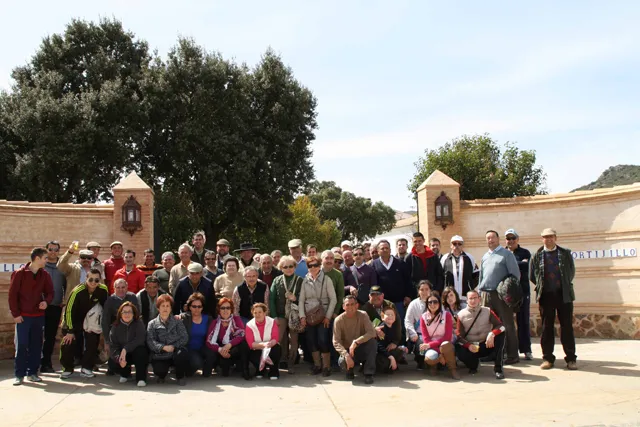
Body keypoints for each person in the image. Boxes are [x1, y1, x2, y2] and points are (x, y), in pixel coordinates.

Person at [530, 228, 577, 371]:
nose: (548, 239)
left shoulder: (565, 253)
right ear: (541, 239)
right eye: (545, 237)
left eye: (551, 237)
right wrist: (543, 286)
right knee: (546, 327)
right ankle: (547, 358)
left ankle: (571, 359)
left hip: (564, 295)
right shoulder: (537, 255)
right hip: (546, 296)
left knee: (567, 327)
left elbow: (571, 271)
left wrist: (563, 285)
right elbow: (532, 275)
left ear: (556, 238)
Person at [9, 248, 54, 385]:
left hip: (38, 317)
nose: (47, 260)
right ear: (37, 258)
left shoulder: (45, 275)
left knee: (36, 345)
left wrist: (46, 302)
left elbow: (50, 292)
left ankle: (33, 372)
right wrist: (15, 314)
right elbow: (12, 296)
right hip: (23, 317)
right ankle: (19, 374)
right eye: (45, 258)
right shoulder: (19, 274)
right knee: (22, 345)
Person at [478, 230, 521, 364]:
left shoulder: (506, 254)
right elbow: (482, 276)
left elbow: (515, 275)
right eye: (488, 238)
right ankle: (493, 354)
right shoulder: (485, 256)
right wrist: (480, 292)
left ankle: (512, 355)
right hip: (486, 294)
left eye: (493, 237)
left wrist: (508, 293)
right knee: (490, 326)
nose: (490, 240)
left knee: (506, 324)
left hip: (501, 295)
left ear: (498, 239)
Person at [59, 268, 109, 379]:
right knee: (68, 343)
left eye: (96, 280)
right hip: (72, 321)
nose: (93, 282)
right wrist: (70, 331)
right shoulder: (78, 291)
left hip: (91, 321)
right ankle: (67, 368)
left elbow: (106, 308)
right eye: (91, 279)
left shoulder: (103, 290)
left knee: (92, 342)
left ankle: (86, 368)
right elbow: (68, 311)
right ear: (86, 278)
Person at [299, 255, 337, 376]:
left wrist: (328, 316)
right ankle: (317, 365)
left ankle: (326, 366)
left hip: (323, 313)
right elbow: (301, 300)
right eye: (310, 266)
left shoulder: (327, 280)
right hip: (309, 315)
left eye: (315, 265)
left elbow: (334, 299)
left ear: (320, 266)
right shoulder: (305, 280)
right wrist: (302, 316)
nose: (313, 268)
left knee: (322, 340)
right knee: (311, 340)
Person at [456, 290, 506, 379]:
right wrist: (468, 345)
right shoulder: (461, 315)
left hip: (486, 343)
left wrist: (492, 333)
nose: (473, 300)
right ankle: (472, 365)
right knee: (459, 349)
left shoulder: (487, 311)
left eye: (475, 298)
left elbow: (501, 326)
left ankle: (498, 369)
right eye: (470, 298)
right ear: (467, 300)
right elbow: (459, 337)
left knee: (500, 335)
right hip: (472, 346)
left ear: (479, 299)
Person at [269, 255, 304, 373]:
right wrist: (274, 316)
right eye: (285, 267)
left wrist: (296, 298)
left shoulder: (300, 280)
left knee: (294, 340)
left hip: (295, 314)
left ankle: (291, 363)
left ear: (295, 267)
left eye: (291, 266)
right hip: (280, 314)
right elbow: (272, 299)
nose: (288, 269)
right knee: (280, 339)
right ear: (281, 268)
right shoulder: (277, 280)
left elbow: (305, 298)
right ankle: (281, 360)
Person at [333, 295, 377, 384]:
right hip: (348, 350)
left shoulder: (363, 315)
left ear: (357, 305)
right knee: (342, 361)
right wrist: (346, 355)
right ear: (343, 306)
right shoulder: (338, 320)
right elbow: (336, 341)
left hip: (361, 347)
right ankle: (349, 370)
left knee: (373, 342)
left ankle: (368, 373)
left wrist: (356, 342)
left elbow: (372, 332)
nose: (350, 307)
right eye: (347, 305)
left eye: (352, 304)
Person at [147, 294, 190, 385]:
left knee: (182, 353)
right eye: (163, 306)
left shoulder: (178, 322)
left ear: (171, 308)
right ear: (158, 308)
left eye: (167, 306)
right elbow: (150, 341)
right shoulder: (152, 323)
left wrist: (174, 346)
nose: (165, 308)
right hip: (160, 354)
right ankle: (161, 376)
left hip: (175, 352)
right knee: (160, 370)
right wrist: (163, 347)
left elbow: (184, 337)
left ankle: (180, 376)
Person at [505, 228, 534, 361]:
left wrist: (512, 265)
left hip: (523, 291)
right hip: (506, 293)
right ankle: (508, 350)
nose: (510, 241)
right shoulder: (502, 252)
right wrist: (519, 264)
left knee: (524, 321)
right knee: (506, 322)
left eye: (513, 238)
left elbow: (526, 268)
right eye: (508, 238)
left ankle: (526, 350)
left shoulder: (525, 252)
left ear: (517, 239)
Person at [102, 278, 140, 375]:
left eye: (123, 287)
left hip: (131, 330)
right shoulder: (110, 300)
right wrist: (106, 341)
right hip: (115, 332)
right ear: (114, 288)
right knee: (114, 365)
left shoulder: (132, 297)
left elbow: (137, 316)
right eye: (118, 287)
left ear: (127, 287)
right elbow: (105, 321)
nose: (120, 290)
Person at [206, 297, 250, 379]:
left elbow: (242, 334)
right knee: (225, 373)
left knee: (244, 344)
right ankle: (222, 365)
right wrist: (220, 350)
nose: (225, 310)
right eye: (222, 308)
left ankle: (245, 370)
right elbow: (208, 341)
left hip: (233, 349)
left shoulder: (236, 320)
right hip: (221, 350)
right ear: (219, 310)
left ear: (231, 310)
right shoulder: (215, 322)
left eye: (228, 308)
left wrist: (230, 344)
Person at [419, 291, 459, 379]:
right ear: (427, 304)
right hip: (431, 345)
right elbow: (426, 338)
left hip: (445, 344)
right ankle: (435, 364)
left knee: (445, 345)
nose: (432, 304)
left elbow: (447, 337)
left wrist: (432, 346)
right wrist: (436, 349)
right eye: (430, 302)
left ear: (439, 303)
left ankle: (453, 369)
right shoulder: (423, 317)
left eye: (435, 302)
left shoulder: (446, 315)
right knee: (429, 358)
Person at [371, 239, 413, 322]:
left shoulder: (400, 263)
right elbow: (373, 284)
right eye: (382, 248)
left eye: (387, 248)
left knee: (400, 325)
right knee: (385, 326)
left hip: (399, 302)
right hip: (382, 303)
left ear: (390, 250)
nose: (385, 250)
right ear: (378, 251)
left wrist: (408, 296)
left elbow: (408, 281)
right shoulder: (373, 264)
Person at [41, 240, 67, 374]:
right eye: (50, 249)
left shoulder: (62, 267)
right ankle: (34, 361)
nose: (53, 252)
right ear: (46, 250)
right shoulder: (41, 266)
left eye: (56, 250)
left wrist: (64, 300)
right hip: (39, 307)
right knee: (37, 335)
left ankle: (46, 363)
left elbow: (66, 286)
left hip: (55, 306)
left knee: (50, 336)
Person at [108, 301, 148, 387]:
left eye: (129, 312)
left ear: (133, 313)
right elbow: (113, 346)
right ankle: (124, 373)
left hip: (135, 352)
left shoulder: (139, 323)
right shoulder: (115, 326)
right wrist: (119, 358)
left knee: (141, 352)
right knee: (112, 363)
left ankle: (141, 378)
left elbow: (140, 339)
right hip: (123, 355)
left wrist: (126, 349)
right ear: (120, 314)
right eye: (124, 312)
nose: (127, 314)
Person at [180, 292, 216, 377]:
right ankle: (188, 370)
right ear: (189, 307)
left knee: (212, 353)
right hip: (189, 348)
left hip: (202, 347)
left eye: (199, 306)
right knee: (197, 363)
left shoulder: (208, 319)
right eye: (194, 306)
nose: (197, 309)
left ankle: (207, 373)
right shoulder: (184, 318)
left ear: (202, 307)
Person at [245, 303, 282, 380]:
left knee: (277, 349)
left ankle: (274, 371)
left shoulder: (272, 322)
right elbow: (251, 343)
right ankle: (260, 370)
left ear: (265, 313)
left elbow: (275, 338)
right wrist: (264, 345)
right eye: (255, 313)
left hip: (270, 347)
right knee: (250, 353)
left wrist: (270, 344)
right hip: (257, 348)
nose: (257, 314)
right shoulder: (249, 325)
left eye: (260, 312)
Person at [404, 280, 432, 369]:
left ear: (430, 290)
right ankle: (420, 361)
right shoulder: (413, 304)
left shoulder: (435, 301)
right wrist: (412, 333)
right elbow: (408, 321)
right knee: (421, 346)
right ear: (418, 291)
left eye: (427, 289)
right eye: (422, 289)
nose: (424, 292)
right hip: (419, 334)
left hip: (434, 333)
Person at [440, 235, 475, 303]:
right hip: (449, 297)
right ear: (451, 245)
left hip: (465, 296)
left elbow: (475, 275)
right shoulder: (445, 258)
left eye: (459, 244)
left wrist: (470, 287)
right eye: (454, 243)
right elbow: (441, 276)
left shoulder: (469, 258)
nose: (457, 246)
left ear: (462, 245)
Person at [375, 307, 406, 373]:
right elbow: (379, 345)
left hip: (387, 350)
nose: (390, 316)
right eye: (388, 315)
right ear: (382, 317)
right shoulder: (382, 329)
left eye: (392, 315)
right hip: (380, 352)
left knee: (399, 351)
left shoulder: (393, 327)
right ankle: (387, 366)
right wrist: (390, 356)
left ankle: (391, 365)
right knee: (385, 362)